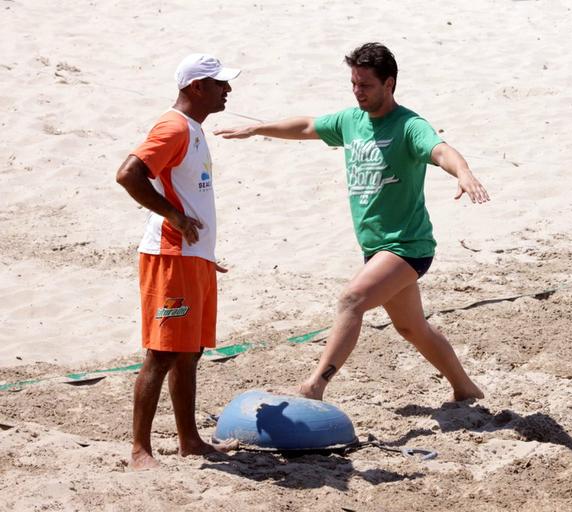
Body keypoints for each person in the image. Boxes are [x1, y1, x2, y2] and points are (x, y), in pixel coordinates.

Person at [215, 42, 489, 402]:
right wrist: (258, 129)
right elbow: (309, 126)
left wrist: (463, 172)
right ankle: (466, 389)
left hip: (407, 246)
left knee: (351, 301)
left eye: (366, 85)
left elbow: (440, 150)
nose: (358, 92)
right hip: (376, 248)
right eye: (354, 84)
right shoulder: (351, 121)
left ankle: (315, 386)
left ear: (389, 84)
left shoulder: (408, 125)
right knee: (411, 327)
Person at [116, 53, 240, 470]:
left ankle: (189, 440)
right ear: (195, 87)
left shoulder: (194, 129)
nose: (228, 89)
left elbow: (191, 194)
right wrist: (173, 217)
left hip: (192, 257)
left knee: (190, 351)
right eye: (219, 83)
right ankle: (139, 450)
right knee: (163, 352)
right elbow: (128, 174)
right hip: (169, 255)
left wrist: (204, 254)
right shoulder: (172, 126)